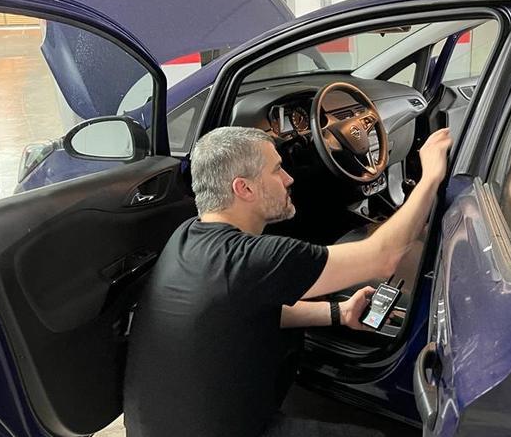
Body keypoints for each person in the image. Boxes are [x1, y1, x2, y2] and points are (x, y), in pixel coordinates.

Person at [124, 126, 452, 437]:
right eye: (277, 170)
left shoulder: (188, 236)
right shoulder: (253, 258)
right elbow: (384, 256)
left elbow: (247, 307)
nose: (289, 178)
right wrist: (431, 177)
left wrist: (337, 312)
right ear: (245, 188)